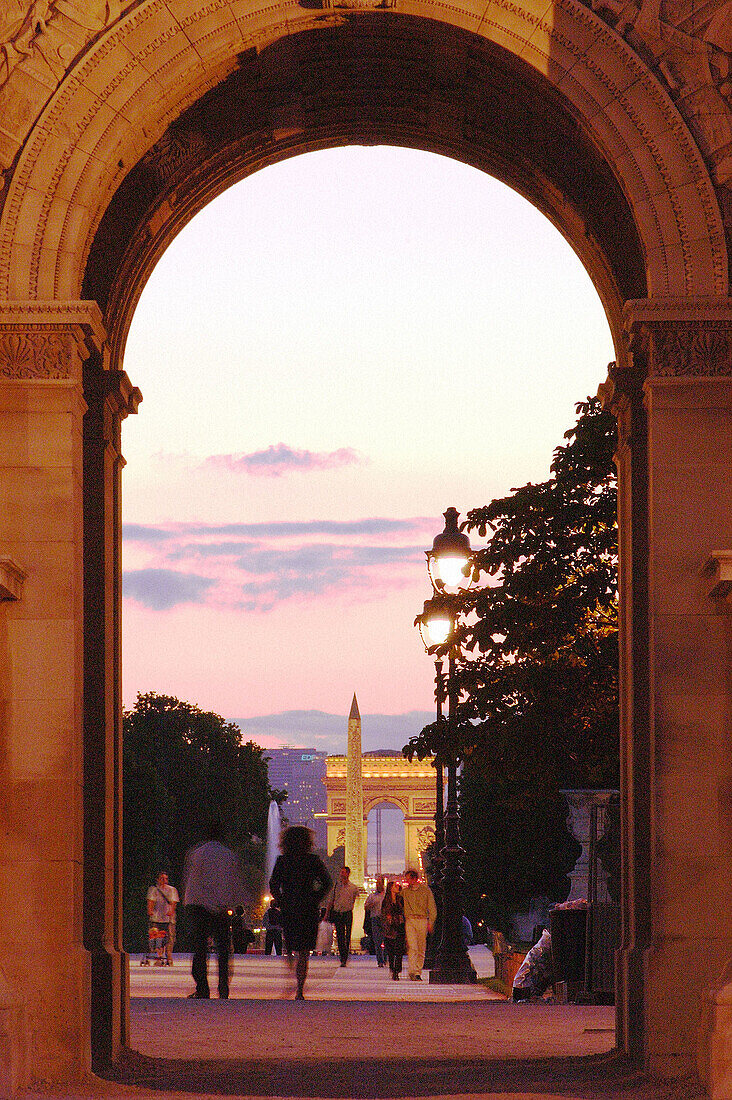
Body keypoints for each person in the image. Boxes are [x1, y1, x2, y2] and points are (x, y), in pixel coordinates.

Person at [183, 818, 247, 999]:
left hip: (199, 906)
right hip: (220, 908)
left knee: (200, 948)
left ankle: (202, 987)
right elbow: (233, 882)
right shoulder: (228, 855)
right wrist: (232, 904)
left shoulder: (196, 853)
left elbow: (192, 880)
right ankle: (223, 987)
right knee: (223, 950)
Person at [270, 825, 332, 1000]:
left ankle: (290, 962)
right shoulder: (313, 860)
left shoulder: (282, 861)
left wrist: (281, 900)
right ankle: (299, 988)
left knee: (290, 944)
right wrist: (315, 897)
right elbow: (327, 882)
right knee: (304, 951)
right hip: (308, 907)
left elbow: (273, 884)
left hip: (289, 907)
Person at [403, 868, 436, 980]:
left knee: (421, 947)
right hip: (410, 920)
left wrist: (431, 922)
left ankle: (418, 971)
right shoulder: (405, 892)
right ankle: (413, 971)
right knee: (412, 947)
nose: (407, 882)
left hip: (422, 920)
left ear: (414, 878)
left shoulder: (425, 891)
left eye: (408, 879)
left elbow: (431, 907)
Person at [327, 865, 362, 967]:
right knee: (340, 936)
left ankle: (344, 956)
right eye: (340, 872)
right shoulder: (336, 886)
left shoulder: (354, 888)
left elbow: (357, 900)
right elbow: (331, 900)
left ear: (348, 873)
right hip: (338, 913)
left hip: (347, 913)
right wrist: (327, 914)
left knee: (347, 936)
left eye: (343, 872)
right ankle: (343, 957)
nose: (341, 874)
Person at [145, 871, 179, 966]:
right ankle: (159, 956)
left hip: (168, 918)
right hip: (156, 917)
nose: (164, 881)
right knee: (156, 937)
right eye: (162, 878)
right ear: (158, 879)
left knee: (169, 938)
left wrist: (171, 911)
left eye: (166, 879)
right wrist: (150, 911)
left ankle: (169, 957)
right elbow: (150, 901)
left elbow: (173, 903)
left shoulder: (172, 890)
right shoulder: (153, 889)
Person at [380, 879, 406, 980]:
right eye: (395, 886)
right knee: (391, 950)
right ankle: (392, 968)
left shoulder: (400, 899)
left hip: (399, 926)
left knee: (399, 950)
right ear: (390, 888)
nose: (397, 887)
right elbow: (383, 914)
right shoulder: (386, 900)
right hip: (390, 928)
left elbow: (403, 911)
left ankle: (397, 970)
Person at [364, 875, 386, 967]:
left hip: (385, 919)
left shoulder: (386, 895)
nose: (378, 885)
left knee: (386, 940)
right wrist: (371, 905)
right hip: (375, 918)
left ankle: (386, 958)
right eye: (377, 883)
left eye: (380, 883)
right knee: (377, 941)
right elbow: (366, 907)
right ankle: (380, 961)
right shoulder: (371, 896)